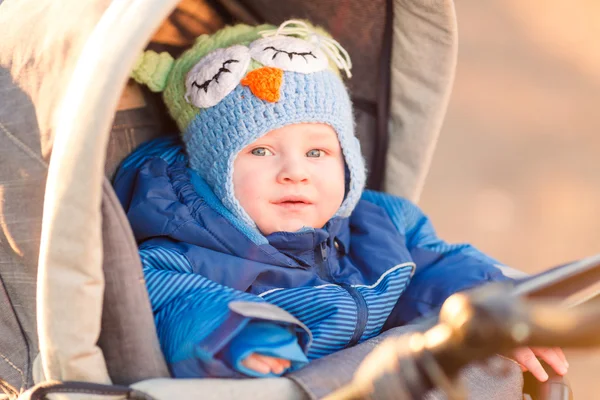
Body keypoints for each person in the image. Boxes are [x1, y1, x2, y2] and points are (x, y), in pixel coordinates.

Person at [114, 20, 568, 381]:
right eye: (260, 151)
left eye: (317, 152)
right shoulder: (184, 253)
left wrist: (500, 309)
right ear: (214, 171)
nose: (296, 170)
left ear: (348, 163)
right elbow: (174, 303)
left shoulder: (383, 225)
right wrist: (238, 337)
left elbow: (438, 270)